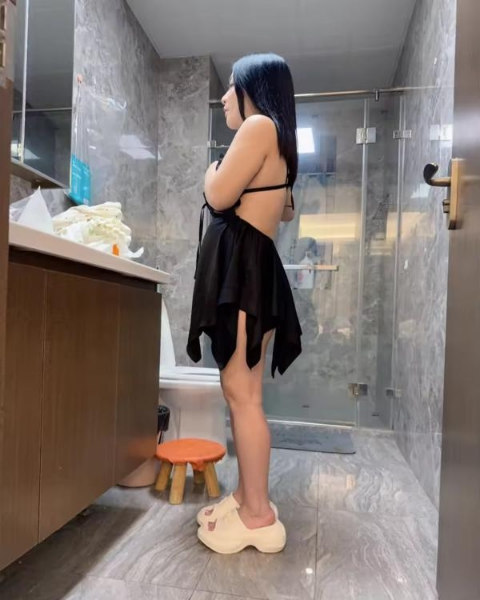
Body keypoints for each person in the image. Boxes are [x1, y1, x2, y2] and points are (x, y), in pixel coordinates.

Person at [187, 53, 302, 554]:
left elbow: (218, 195)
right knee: (242, 390)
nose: (223, 97)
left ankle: (257, 515)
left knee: (243, 394)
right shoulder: (279, 140)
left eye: (231, 86)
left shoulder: (258, 127)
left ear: (253, 89)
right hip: (255, 269)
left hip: (246, 273)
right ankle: (245, 497)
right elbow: (287, 210)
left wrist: (213, 169)